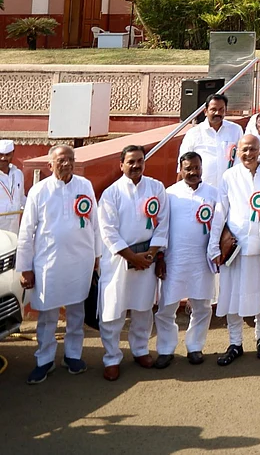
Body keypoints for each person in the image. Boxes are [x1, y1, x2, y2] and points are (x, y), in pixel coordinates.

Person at [17, 145, 98, 385]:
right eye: (61, 160)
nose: (67, 164)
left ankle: (73, 356)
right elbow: (27, 230)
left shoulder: (85, 186)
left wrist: (97, 258)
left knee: (76, 312)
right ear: (50, 165)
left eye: (70, 159)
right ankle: (44, 359)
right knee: (48, 314)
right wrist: (25, 266)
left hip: (80, 261)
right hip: (48, 262)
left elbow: (94, 224)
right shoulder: (39, 191)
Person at [97, 144, 170, 381]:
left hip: (147, 258)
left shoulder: (156, 187)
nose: (136, 165)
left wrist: (151, 253)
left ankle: (140, 350)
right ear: (121, 165)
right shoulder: (111, 193)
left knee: (143, 307)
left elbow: (163, 223)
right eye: (131, 162)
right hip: (119, 260)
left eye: (140, 161)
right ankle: (111, 358)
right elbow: (108, 231)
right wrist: (132, 257)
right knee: (114, 310)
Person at [153, 152, 222, 368]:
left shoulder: (213, 194)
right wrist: (161, 256)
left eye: (196, 168)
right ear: (180, 170)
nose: (193, 172)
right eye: (188, 168)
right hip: (175, 259)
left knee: (202, 306)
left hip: (202, 260)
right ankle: (165, 349)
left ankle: (195, 347)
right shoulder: (170, 194)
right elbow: (161, 227)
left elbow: (220, 226)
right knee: (166, 307)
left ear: (202, 168)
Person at [212, 134, 260, 366]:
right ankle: (235, 342)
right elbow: (220, 212)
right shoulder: (229, 176)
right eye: (243, 150)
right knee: (231, 296)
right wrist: (215, 245)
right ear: (237, 151)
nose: (248, 154)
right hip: (235, 248)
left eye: (252, 149)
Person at [179, 93, 244, 188]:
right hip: (203, 190)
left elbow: (241, 158)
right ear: (205, 111)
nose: (217, 113)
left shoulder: (236, 130)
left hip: (229, 188)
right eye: (213, 110)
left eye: (221, 109)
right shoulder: (193, 133)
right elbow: (182, 165)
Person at [0, 140, 24, 234]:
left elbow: (21, 198)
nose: (3, 158)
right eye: (0, 154)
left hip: (14, 229)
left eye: (7, 154)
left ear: (13, 154)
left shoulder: (18, 174)